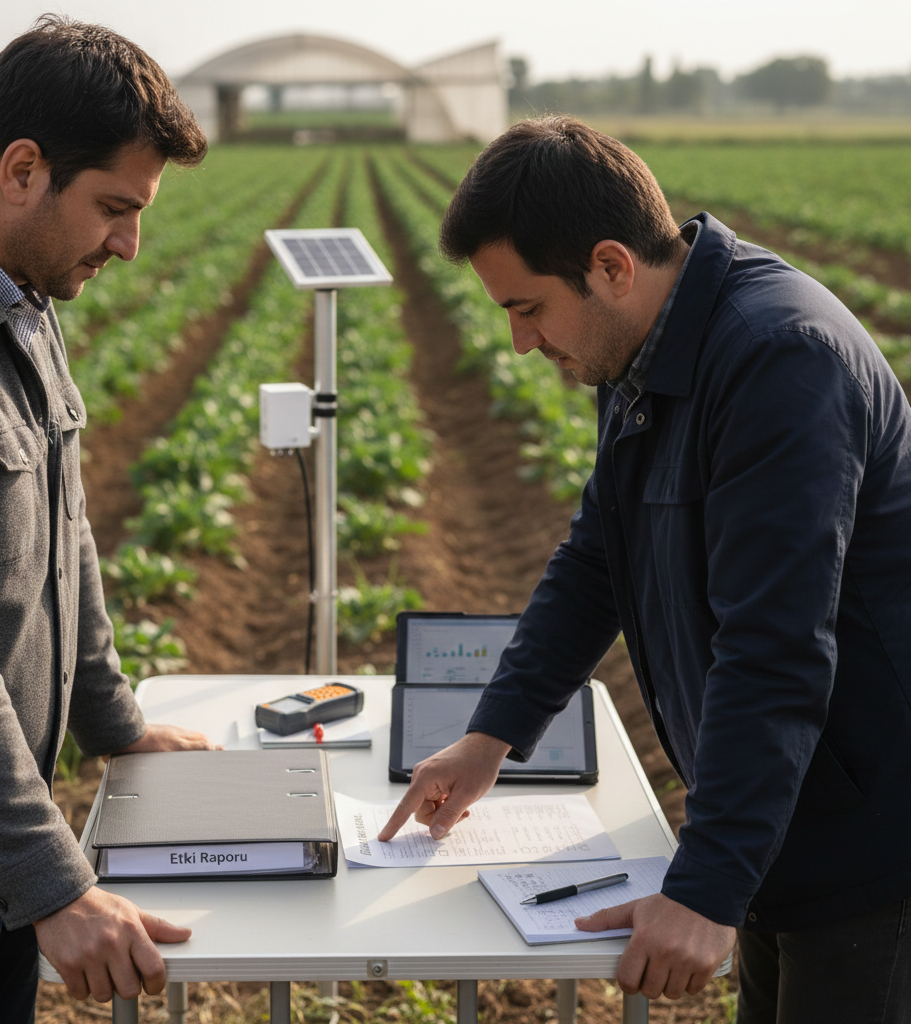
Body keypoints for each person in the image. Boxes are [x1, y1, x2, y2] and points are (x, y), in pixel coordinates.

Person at [379, 116, 911, 1023]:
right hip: (783, 807)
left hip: (870, 837)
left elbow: (773, 646)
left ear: (611, 266)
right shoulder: (638, 351)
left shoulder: (781, 360)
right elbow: (599, 555)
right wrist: (491, 736)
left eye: (527, 308)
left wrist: (705, 889)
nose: (520, 341)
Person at [0, 15, 215, 1021]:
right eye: (115, 207)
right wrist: (56, 887)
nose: (129, 244)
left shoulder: (19, 297)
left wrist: (116, 724)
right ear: (22, 170)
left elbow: (64, 534)